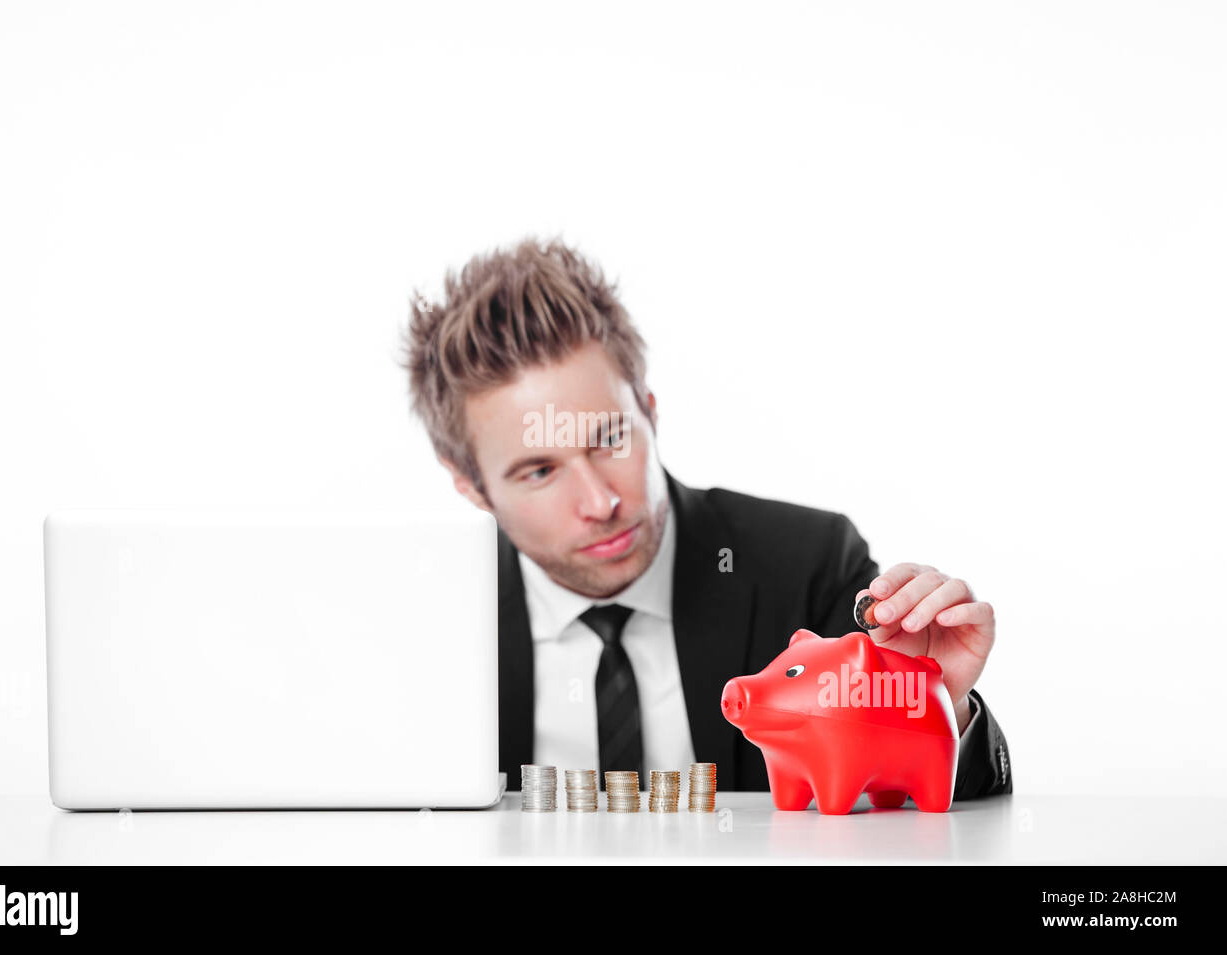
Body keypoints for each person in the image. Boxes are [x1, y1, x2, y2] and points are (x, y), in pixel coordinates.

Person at [402, 236, 1011, 801]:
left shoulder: (806, 565)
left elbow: (926, 820)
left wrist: (929, 703)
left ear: (650, 410)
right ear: (470, 485)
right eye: (539, 472)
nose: (600, 503)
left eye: (611, 439)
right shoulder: (423, 626)